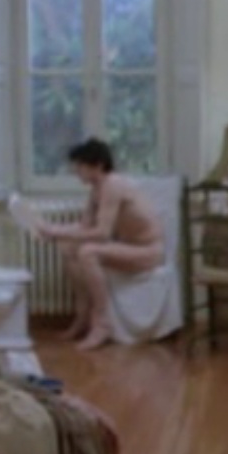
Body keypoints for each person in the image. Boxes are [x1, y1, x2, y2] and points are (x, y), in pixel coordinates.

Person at [37, 138, 165, 351]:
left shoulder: (112, 185)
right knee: (68, 248)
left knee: (88, 252)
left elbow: (102, 234)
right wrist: (52, 231)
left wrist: (56, 232)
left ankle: (102, 323)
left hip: (148, 250)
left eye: (80, 166)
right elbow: (84, 226)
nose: (76, 171)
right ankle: (83, 313)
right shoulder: (96, 189)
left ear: (97, 165)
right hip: (129, 246)